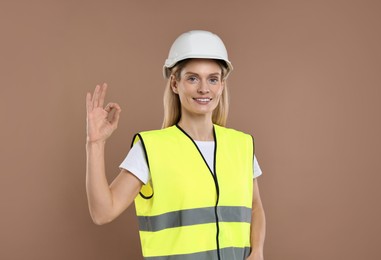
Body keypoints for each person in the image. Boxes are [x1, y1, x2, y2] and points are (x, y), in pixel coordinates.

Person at [86, 30, 266, 260]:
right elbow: (103, 212)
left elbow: (255, 206)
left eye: (212, 79)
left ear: (222, 85)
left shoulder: (242, 145)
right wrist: (95, 144)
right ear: (174, 83)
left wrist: (257, 251)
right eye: (192, 78)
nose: (204, 88)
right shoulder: (151, 148)